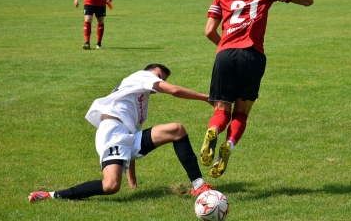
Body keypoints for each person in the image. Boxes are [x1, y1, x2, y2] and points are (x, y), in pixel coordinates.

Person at [29, 64, 214, 202]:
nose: (161, 81)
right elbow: (173, 90)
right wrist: (206, 98)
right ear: (149, 72)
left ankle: (198, 185)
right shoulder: (141, 76)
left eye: (163, 79)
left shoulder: (140, 101)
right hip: (112, 133)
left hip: (126, 136)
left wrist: (133, 183)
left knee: (177, 130)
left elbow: (131, 139)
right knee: (111, 186)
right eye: (159, 76)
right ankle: (51, 195)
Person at [200, 0, 314, 178]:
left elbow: (208, 31)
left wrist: (224, 45)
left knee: (221, 109)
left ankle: (213, 130)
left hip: (225, 54)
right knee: (241, 112)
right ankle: (229, 144)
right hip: (252, 54)